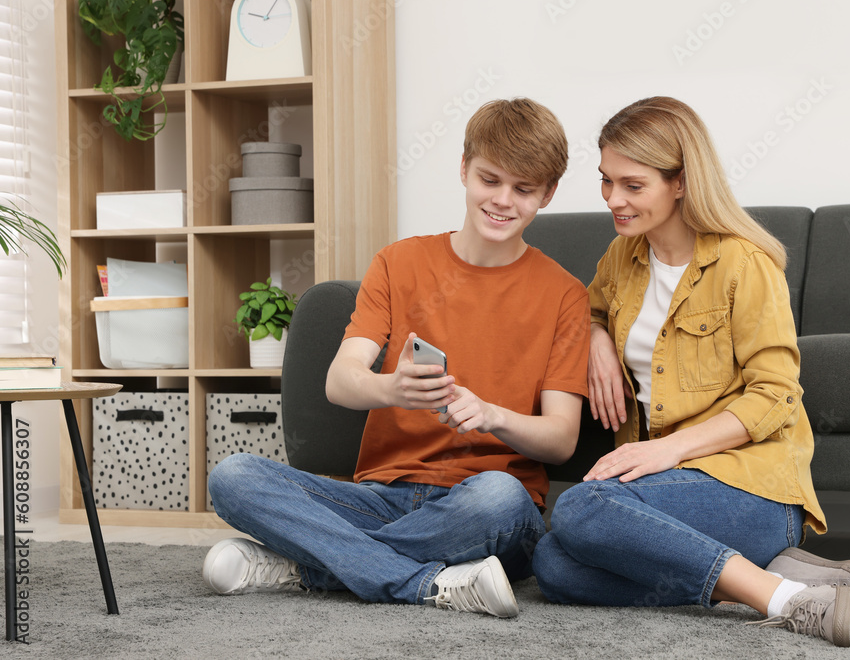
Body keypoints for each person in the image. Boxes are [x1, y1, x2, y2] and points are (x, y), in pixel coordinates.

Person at [202, 98, 590, 618]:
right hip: (382, 497)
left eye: (523, 190)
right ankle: (426, 582)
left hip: (487, 506)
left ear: (548, 193)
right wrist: (391, 389)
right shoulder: (400, 261)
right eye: (489, 180)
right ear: (463, 169)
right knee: (233, 475)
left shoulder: (563, 294)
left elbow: (562, 439)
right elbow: (341, 381)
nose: (502, 200)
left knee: (499, 495)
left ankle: (310, 567)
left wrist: (493, 416)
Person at [531, 96, 850, 647]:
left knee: (581, 508)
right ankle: (766, 576)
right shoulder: (622, 257)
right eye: (607, 181)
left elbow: (776, 395)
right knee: (553, 563)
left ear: (680, 182)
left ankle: (786, 601)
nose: (613, 199)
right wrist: (596, 337)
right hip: (666, 491)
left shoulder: (743, 264)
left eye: (633, 185)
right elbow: (583, 310)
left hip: (751, 489)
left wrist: (670, 450)